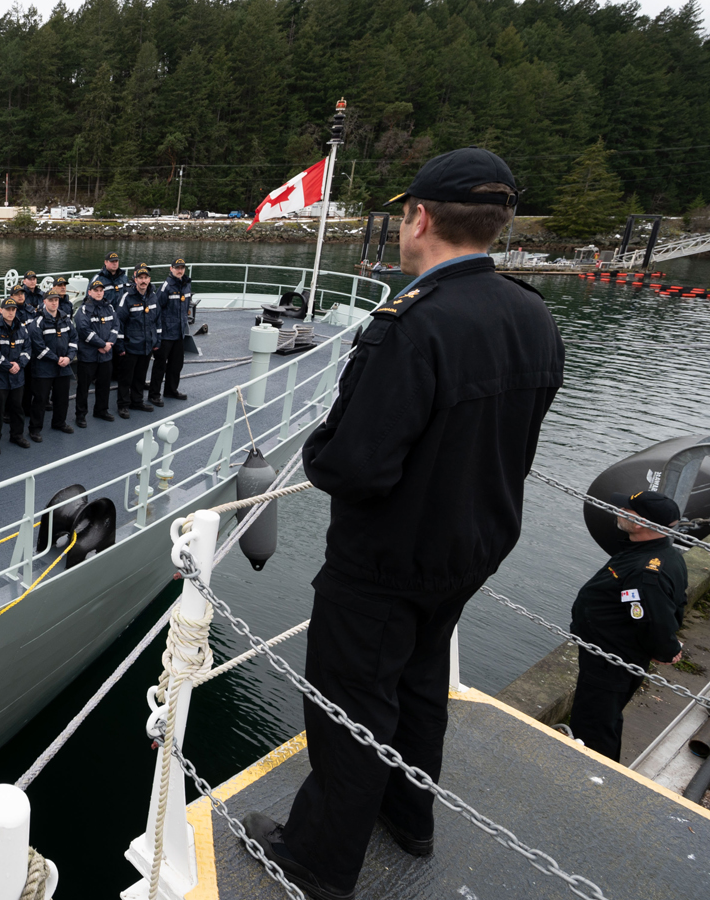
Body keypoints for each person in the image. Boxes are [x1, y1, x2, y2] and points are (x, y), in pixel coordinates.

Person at [241, 147, 564, 900]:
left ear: (419, 218)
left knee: (350, 706)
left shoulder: (412, 325)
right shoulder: (533, 314)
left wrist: (318, 445)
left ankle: (318, 861)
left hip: (385, 560)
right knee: (419, 684)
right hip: (472, 548)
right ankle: (409, 815)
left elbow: (355, 465)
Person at [568, 490, 688, 762]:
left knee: (595, 723)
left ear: (640, 525)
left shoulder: (646, 572)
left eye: (626, 511)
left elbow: (653, 619)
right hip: (606, 653)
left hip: (611, 658)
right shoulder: (659, 553)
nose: (618, 512)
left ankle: (591, 773)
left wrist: (666, 649)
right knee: (599, 714)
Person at [27, 290, 77, 438]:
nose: (54, 302)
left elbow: (74, 340)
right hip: (44, 368)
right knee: (40, 399)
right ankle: (35, 429)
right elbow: (39, 348)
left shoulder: (66, 319)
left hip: (64, 366)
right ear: (44, 302)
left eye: (56, 300)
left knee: (62, 397)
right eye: (51, 300)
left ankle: (59, 422)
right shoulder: (37, 322)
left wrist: (69, 358)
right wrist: (57, 359)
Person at [0, 295, 31, 452]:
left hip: (17, 377)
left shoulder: (22, 328)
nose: (11, 312)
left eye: (13, 309)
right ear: (0, 310)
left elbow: (27, 348)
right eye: (7, 309)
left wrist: (19, 364)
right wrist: (7, 366)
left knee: (17, 408)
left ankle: (17, 435)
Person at [114, 264, 159, 417]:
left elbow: (157, 320)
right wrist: (120, 346)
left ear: (149, 279)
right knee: (126, 378)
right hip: (130, 346)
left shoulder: (153, 296)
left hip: (146, 345)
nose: (143, 281)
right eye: (140, 278)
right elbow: (118, 323)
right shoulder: (127, 298)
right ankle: (123, 405)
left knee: (140, 376)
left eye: (146, 278)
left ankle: (137, 401)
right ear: (135, 279)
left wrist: (156, 341)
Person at [149, 258, 193, 406]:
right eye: (177, 268)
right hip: (166, 334)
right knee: (160, 365)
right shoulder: (166, 287)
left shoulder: (186, 285)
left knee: (176, 364)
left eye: (182, 268)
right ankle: (154, 394)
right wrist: (157, 333)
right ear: (171, 268)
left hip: (179, 333)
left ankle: (170, 390)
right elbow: (156, 310)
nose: (179, 270)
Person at [74, 279, 118, 426]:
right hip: (88, 355)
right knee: (83, 387)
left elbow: (116, 325)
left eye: (101, 290)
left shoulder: (109, 308)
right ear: (90, 292)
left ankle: (101, 410)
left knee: (104, 384)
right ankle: (81, 415)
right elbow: (84, 330)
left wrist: (109, 343)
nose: (99, 293)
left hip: (105, 354)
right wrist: (101, 344)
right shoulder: (84, 310)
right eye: (96, 291)